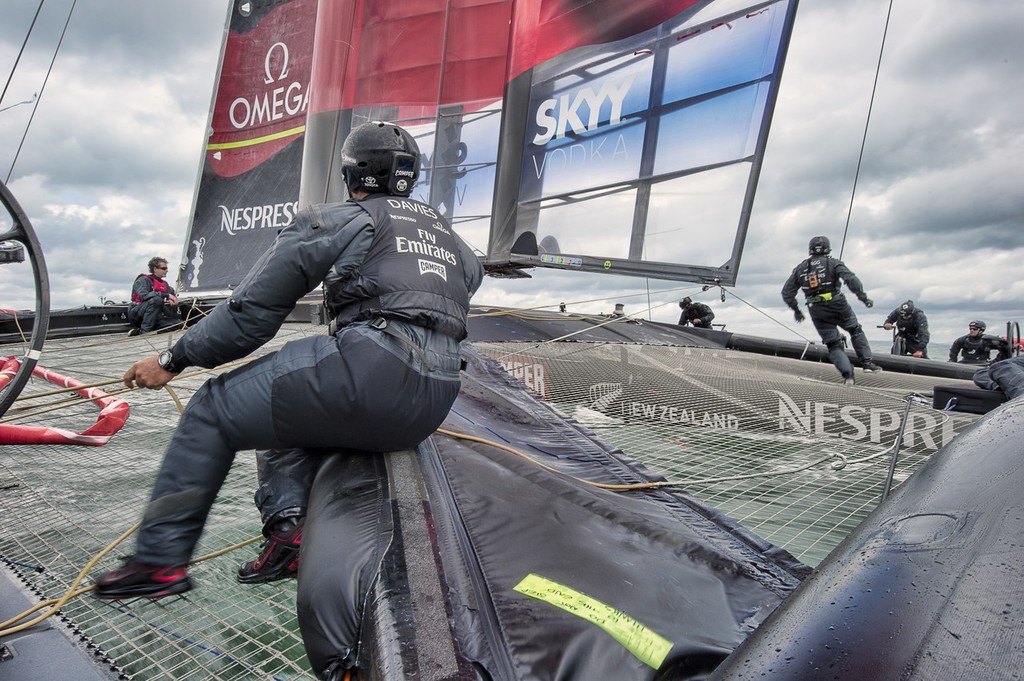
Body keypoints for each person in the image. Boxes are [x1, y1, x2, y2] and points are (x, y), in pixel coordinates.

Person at [92, 121, 485, 599]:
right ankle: (288, 535)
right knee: (278, 396)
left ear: (351, 175)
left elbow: (249, 317)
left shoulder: (341, 219)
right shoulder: (456, 244)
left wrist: (173, 358)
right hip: (433, 403)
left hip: (371, 374)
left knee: (213, 409)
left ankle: (157, 565)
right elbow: (461, 284)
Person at [781, 235, 882, 385]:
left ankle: (848, 375)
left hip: (815, 308)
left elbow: (787, 293)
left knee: (833, 345)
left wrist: (797, 310)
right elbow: (851, 280)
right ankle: (867, 363)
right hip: (837, 303)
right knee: (855, 330)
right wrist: (863, 298)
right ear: (828, 249)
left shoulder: (800, 268)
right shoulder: (833, 263)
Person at [127, 257, 181, 334]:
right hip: (138, 314)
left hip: (156, 317)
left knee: (180, 324)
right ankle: (145, 331)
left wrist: (171, 301)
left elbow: (171, 296)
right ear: (155, 269)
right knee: (157, 300)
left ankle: (145, 331)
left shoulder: (165, 285)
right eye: (164, 268)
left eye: (166, 268)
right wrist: (165, 295)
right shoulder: (143, 280)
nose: (167, 270)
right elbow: (144, 296)